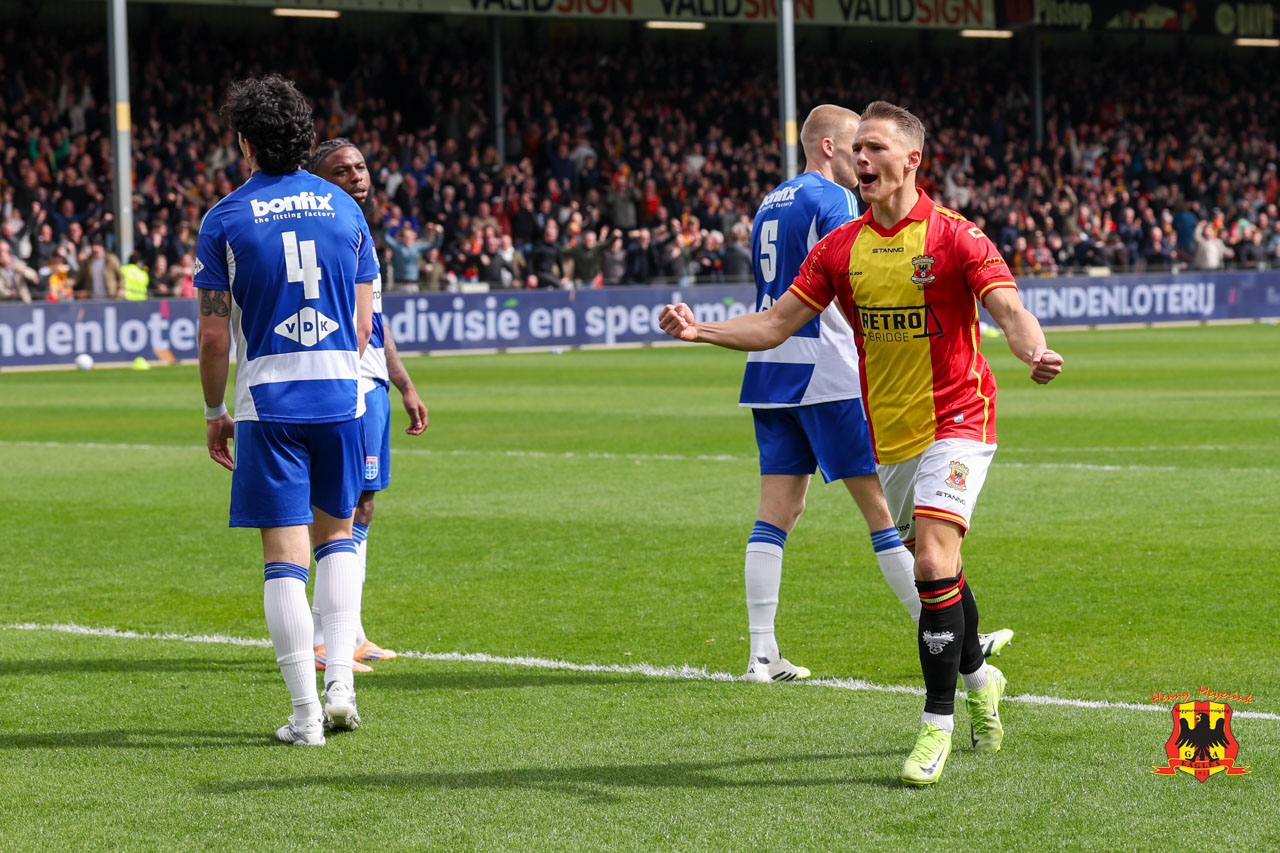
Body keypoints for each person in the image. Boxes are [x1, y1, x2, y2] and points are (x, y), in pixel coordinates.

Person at [659, 101, 1063, 786]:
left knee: (933, 561)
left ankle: (934, 725)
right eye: (859, 148)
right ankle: (979, 673)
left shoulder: (957, 236)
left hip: (960, 416)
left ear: (912, 160)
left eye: (876, 148)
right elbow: (776, 322)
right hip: (892, 432)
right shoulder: (840, 247)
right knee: (938, 571)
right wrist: (700, 331)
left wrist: (1034, 349)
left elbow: (1008, 307)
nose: (863, 159)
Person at [735, 104, 1012, 684]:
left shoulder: (772, 198)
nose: (863, 159)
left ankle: (763, 651)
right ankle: (957, 639)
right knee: (886, 517)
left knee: (776, 512)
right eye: (856, 145)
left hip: (768, 370)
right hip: (826, 369)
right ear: (833, 147)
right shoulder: (838, 204)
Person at [195, 74, 377, 747]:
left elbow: (216, 336)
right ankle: (342, 688)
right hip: (339, 393)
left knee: (283, 556)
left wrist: (215, 408)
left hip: (269, 403)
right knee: (338, 538)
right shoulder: (345, 208)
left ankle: (305, 717)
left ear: (245, 140)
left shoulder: (226, 218)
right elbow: (363, 326)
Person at [309, 137, 429, 673]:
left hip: (373, 382)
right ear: (319, 180)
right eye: (341, 170)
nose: (357, 176)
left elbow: (374, 323)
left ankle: (351, 631)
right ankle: (322, 637)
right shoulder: (326, 232)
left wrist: (403, 383)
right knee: (338, 509)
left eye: (360, 166)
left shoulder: (361, 234)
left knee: (362, 506)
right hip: (345, 384)